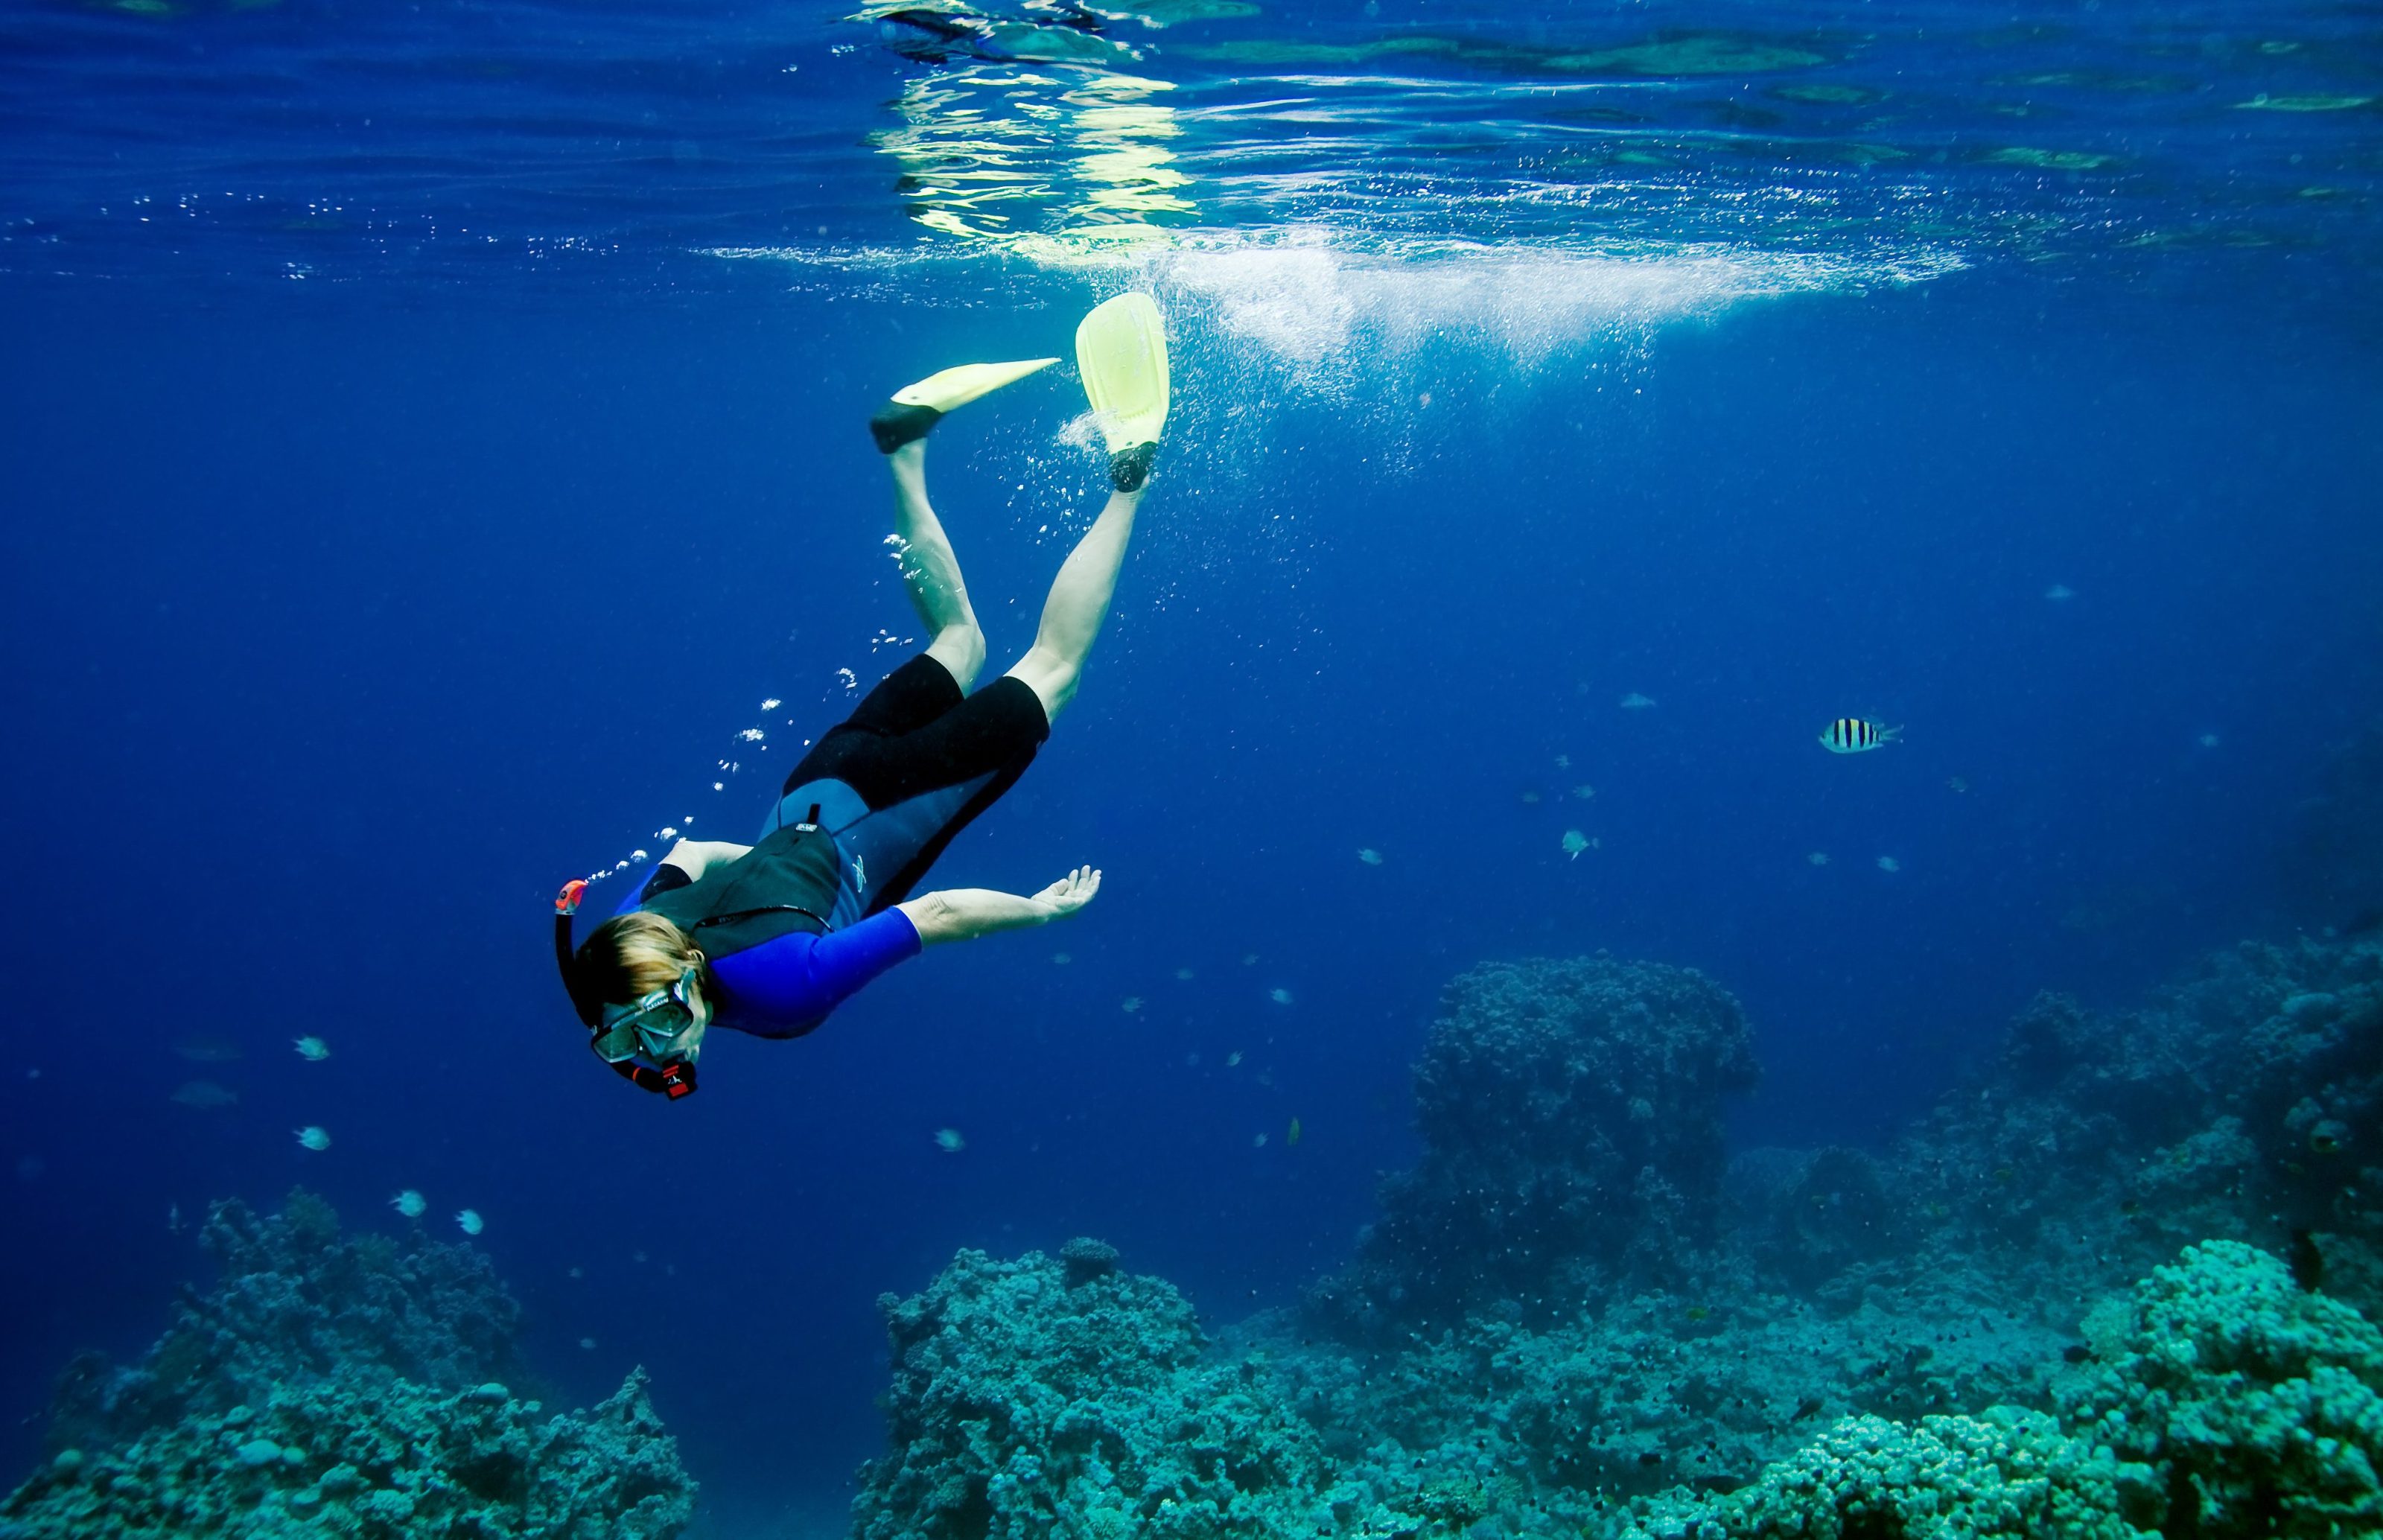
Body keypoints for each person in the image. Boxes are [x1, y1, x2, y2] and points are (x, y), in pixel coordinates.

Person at [551, 293, 1171, 1098]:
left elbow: (936, 915)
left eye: (657, 1024)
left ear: (676, 982)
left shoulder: (784, 992)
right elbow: (694, 851)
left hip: (888, 805)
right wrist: (782, 860)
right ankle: (903, 448)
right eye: (627, 1046)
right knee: (959, 642)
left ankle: (1129, 477)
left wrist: (1038, 911)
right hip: (821, 781)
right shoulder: (629, 934)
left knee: (1052, 666)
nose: (659, 1053)